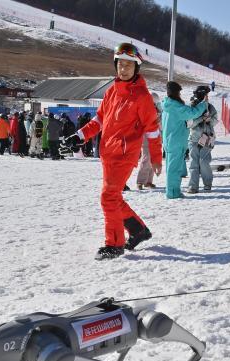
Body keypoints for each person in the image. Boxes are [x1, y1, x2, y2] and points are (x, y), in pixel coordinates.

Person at [64, 43, 163, 260]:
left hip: (125, 155)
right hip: (108, 153)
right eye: (121, 64)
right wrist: (79, 135)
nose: (124, 69)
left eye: (129, 65)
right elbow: (99, 120)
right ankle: (138, 230)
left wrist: (156, 158)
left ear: (137, 68)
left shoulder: (142, 97)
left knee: (108, 197)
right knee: (114, 197)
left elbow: (153, 131)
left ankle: (114, 244)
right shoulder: (111, 92)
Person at [162, 81, 208, 199]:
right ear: (176, 92)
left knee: (171, 167)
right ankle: (173, 193)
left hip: (169, 140)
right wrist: (204, 104)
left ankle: (172, 190)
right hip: (176, 141)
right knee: (174, 169)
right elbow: (192, 113)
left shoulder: (167, 104)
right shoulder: (175, 107)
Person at [186, 85, 218, 194]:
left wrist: (209, 120)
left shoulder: (210, 107)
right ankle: (193, 186)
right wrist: (201, 118)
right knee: (193, 163)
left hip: (207, 138)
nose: (206, 97)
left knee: (204, 162)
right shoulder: (192, 107)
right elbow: (189, 123)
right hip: (194, 139)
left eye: (206, 95)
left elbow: (215, 121)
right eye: (205, 95)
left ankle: (207, 183)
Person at [136, 93, 162, 189]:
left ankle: (148, 181)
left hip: (156, 135)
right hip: (147, 136)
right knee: (146, 158)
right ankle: (140, 181)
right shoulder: (144, 109)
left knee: (153, 158)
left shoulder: (157, 110)